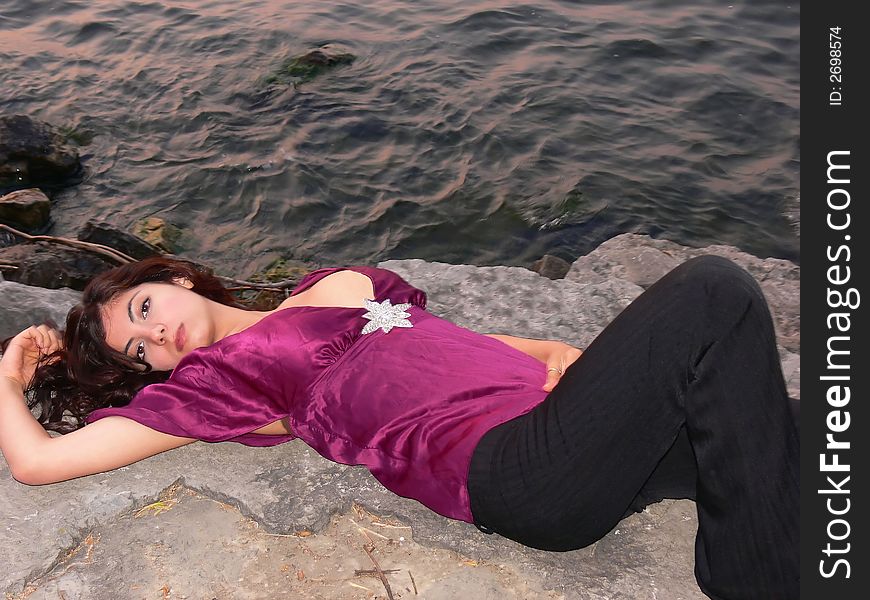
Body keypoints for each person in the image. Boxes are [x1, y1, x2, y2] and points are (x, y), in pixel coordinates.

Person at [0, 254, 798, 599]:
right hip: (510, 471)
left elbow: (432, 339)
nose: (157, 337)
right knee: (711, 293)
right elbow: (38, 463)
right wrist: (8, 375)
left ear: (172, 276)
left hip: (566, 423)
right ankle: (750, 578)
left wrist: (557, 351)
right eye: (140, 351)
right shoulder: (218, 380)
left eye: (145, 310)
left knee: (800, 432)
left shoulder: (324, 285)